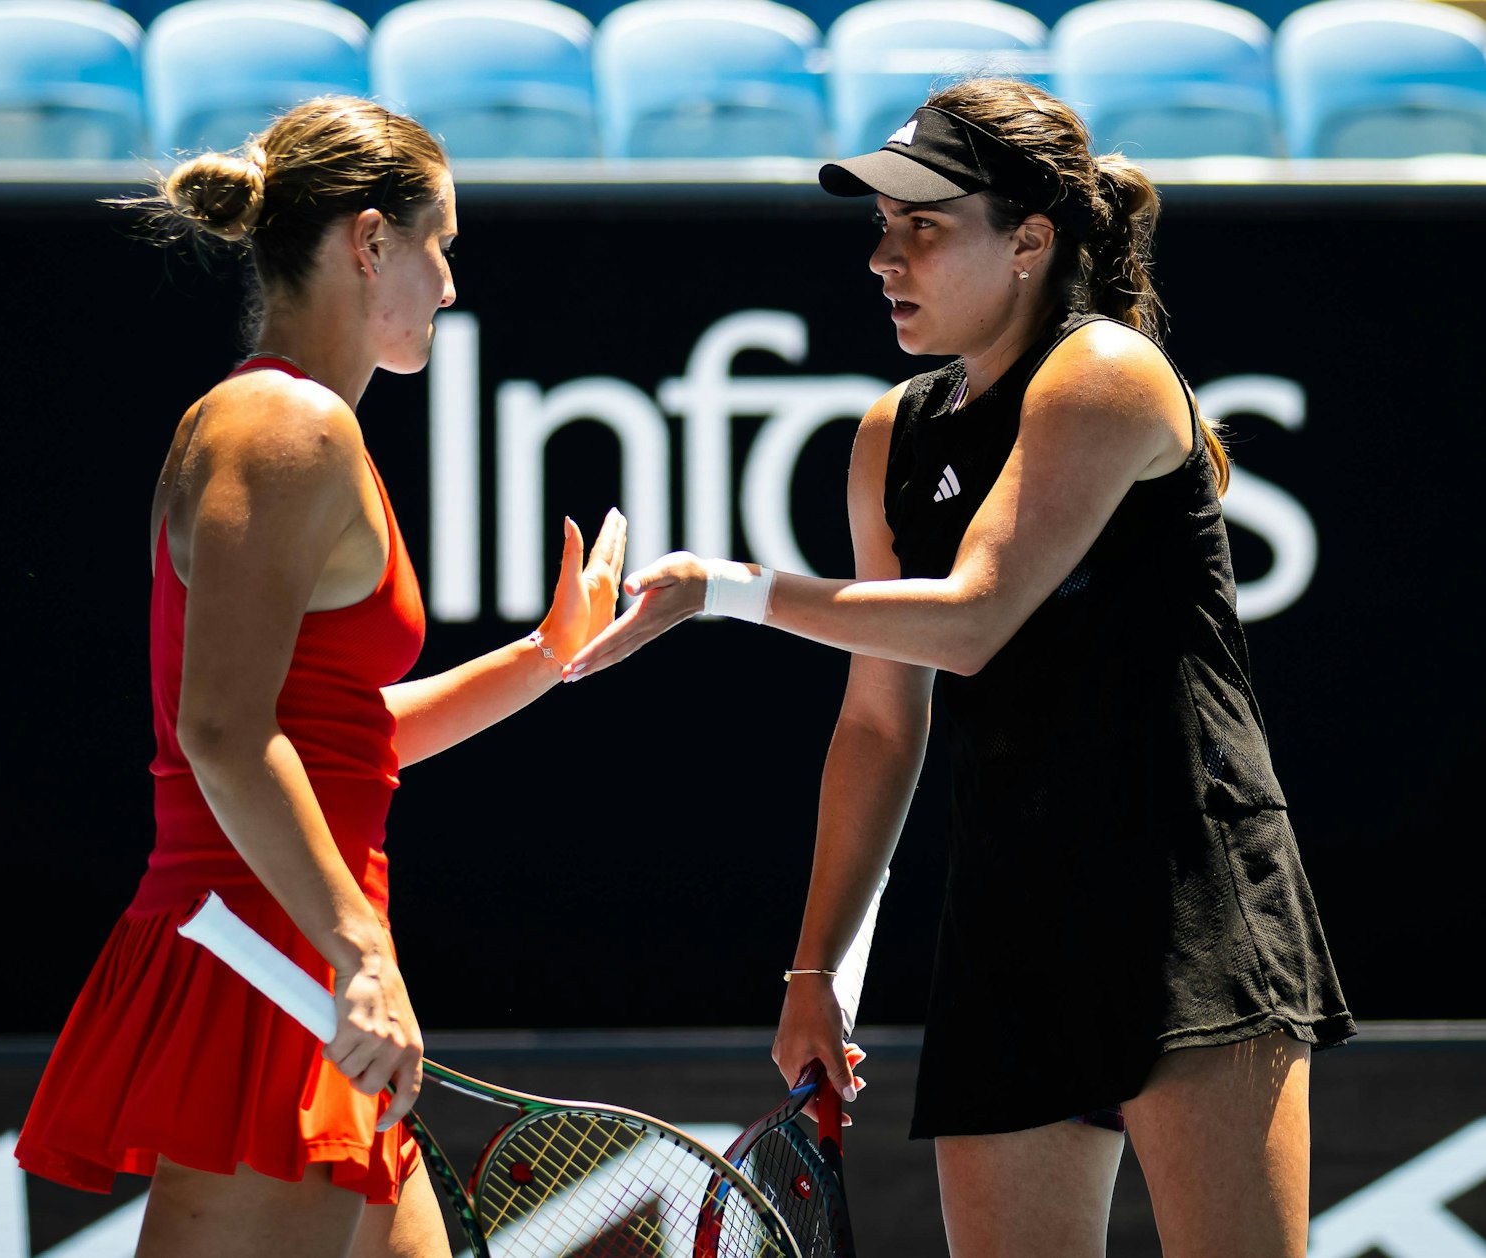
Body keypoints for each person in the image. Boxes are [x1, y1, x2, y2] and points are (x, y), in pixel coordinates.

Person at [565, 77, 1354, 1257]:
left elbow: (974, 617)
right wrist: (816, 964)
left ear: (1030, 240)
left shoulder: (1109, 374)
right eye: (882, 227)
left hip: (1188, 899)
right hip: (1015, 922)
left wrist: (722, 592)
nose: (886, 256)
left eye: (922, 226)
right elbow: (882, 725)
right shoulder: (890, 435)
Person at [13, 96, 627, 1258]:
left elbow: (338, 731)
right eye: (441, 242)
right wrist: (358, 958)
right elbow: (226, 734)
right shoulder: (286, 427)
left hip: (304, 949)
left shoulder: (301, 426)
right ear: (369, 239)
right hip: (269, 960)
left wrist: (547, 657)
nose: (450, 282)